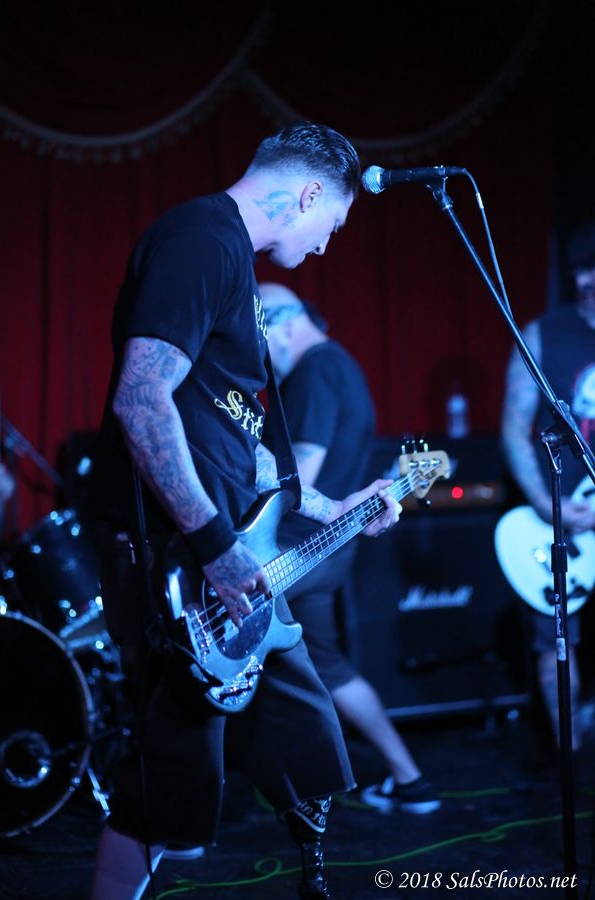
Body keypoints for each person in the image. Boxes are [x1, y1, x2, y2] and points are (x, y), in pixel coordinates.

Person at [88, 122, 401, 900]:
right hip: (180, 559)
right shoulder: (203, 239)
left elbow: (243, 444)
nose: (326, 244)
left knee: (308, 739)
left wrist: (334, 505)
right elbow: (141, 398)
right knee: (171, 782)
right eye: (333, 223)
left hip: (231, 556)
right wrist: (215, 547)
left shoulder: (231, 262)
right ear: (309, 193)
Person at [260, 282, 440, 814]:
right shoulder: (343, 366)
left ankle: (196, 807)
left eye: (256, 330)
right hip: (329, 554)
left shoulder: (314, 371)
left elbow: (299, 477)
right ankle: (410, 780)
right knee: (329, 667)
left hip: (286, 554)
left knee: (217, 656)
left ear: (283, 322)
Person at [501, 221, 595, 748]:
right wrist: (543, 503)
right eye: (583, 270)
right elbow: (514, 428)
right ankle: (571, 757)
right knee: (555, 644)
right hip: (560, 520)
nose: (587, 281)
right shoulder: (541, 334)